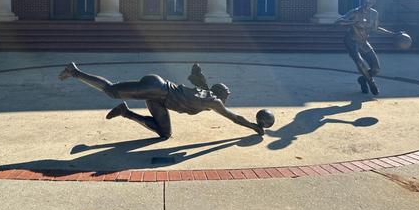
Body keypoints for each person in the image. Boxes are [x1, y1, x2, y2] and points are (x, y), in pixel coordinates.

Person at [58, 62, 269, 138]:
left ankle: (126, 112)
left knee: (165, 133)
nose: (227, 100)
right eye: (227, 96)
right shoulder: (213, 102)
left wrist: (197, 71)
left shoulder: (205, 92)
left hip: (159, 98)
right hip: (157, 88)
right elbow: (234, 117)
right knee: (112, 90)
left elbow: (199, 79)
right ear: (221, 95)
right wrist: (253, 126)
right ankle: (74, 71)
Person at [335, 0, 401, 95]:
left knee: (376, 69)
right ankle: (371, 83)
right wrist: (353, 22)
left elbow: (376, 29)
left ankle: (363, 79)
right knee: (360, 62)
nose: (368, 1)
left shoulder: (374, 14)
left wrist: (392, 34)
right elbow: (338, 21)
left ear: (374, 2)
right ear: (363, 0)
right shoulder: (355, 12)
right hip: (351, 41)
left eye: (371, 0)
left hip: (363, 41)